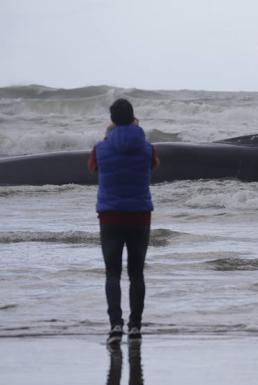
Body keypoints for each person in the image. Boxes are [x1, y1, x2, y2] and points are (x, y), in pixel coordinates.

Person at [88, 98, 159, 345]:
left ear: (112, 121)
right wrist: (137, 131)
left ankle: (115, 325)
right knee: (137, 273)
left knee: (112, 273)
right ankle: (136, 327)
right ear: (133, 118)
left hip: (110, 216)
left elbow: (93, 168)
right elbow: (154, 165)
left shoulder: (101, 148)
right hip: (139, 215)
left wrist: (109, 137)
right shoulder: (147, 148)